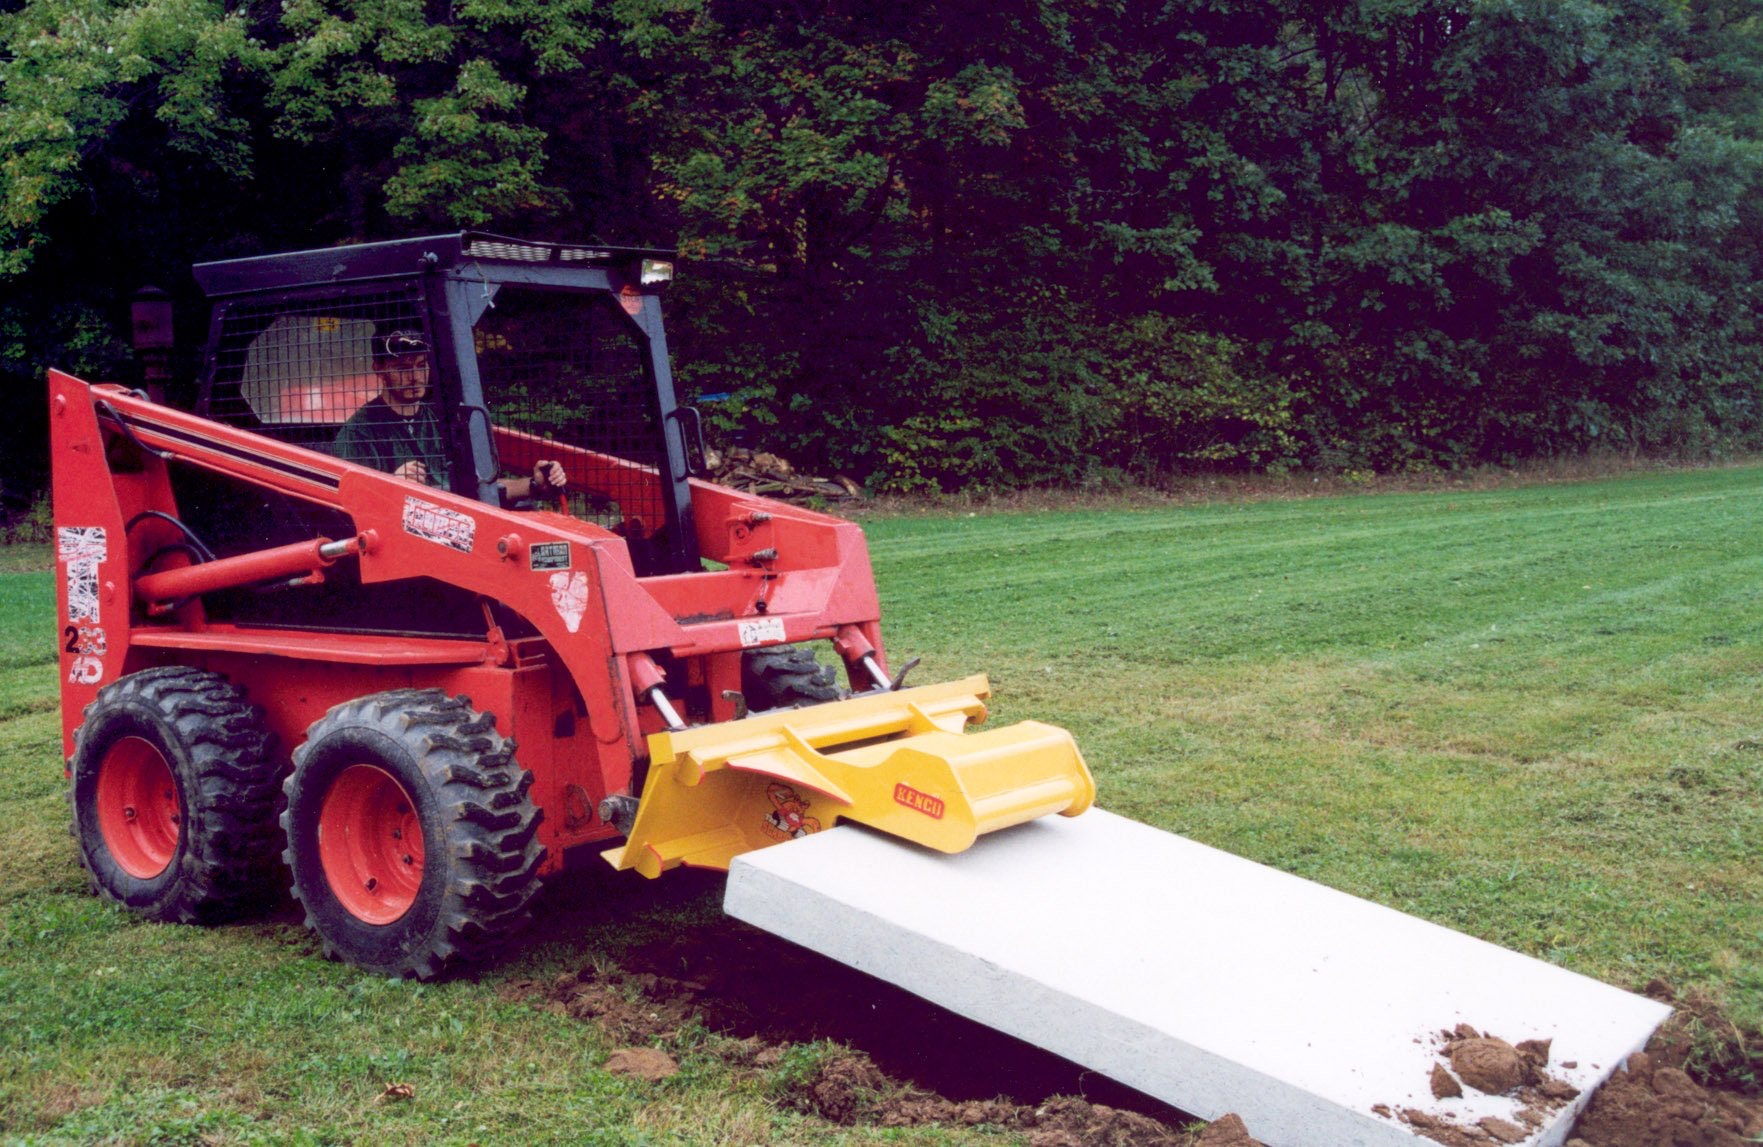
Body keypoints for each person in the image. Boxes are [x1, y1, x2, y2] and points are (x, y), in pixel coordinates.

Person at [335, 331, 566, 501]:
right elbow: (346, 501)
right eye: (403, 368)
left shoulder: (443, 422)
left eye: (421, 365)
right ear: (379, 369)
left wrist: (535, 484)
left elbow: (480, 488)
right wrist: (391, 486)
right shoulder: (359, 432)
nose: (415, 377)